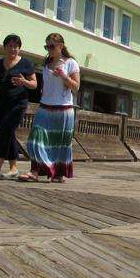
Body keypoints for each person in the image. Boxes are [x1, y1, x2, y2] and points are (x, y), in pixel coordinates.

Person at [19, 33, 80, 183]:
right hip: (45, 106)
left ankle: (58, 174)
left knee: (59, 142)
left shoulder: (71, 63)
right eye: (47, 46)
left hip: (63, 108)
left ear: (61, 46)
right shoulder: (46, 64)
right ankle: (35, 171)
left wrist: (64, 76)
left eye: (52, 46)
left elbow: (76, 87)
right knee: (35, 139)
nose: (49, 49)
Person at [0, 34, 37, 179]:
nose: (13, 49)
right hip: (0, 103)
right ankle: (14, 168)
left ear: (19, 48)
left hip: (18, 103)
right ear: (5, 47)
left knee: (5, 131)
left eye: (16, 46)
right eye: (10, 46)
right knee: (8, 133)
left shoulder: (26, 63)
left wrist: (24, 82)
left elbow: (34, 84)